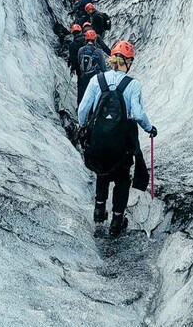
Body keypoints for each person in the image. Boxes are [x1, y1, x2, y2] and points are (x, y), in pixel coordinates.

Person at [78, 40, 158, 238]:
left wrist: (83, 127)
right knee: (122, 179)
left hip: (98, 139)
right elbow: (138, 114)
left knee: (102, 172)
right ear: (128, 62)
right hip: (122, 141)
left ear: (113, 58)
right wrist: (150, 128)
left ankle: (98, 212)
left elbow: (83, 109)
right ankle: (116, 221)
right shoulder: (133, 85)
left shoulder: (98, 80)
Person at [76, 30, 107, 108]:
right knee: (94, 95)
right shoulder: (98, 51)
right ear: (95, 39)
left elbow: (79, 62)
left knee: (85, 94)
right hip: (95, 77)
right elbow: (103, 67)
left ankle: (83, 110)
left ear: (86, 39)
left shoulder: (80, 50)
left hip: (84, 76)